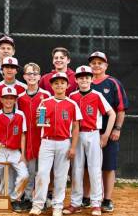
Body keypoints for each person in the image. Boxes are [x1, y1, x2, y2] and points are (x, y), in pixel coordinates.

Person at [63, 65, 116, 216]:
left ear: (92, 79)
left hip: (93, 134)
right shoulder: (72, 96)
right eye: (81, 77)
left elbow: (111, 113)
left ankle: (96, 204)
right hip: (76, 136)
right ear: (76, 80)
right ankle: (75, 203)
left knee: (94, 169)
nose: (84, 79)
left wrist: (106, 134)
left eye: (87, 77)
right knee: (76, 170)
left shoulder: (97, 95)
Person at [29, 72, 82, 216]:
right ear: (51, 86)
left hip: (64, 142)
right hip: (47, 142)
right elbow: (39, 123)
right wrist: (41, 121)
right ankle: (38, 204)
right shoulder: (45, 102)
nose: (59, 85)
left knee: (61, 175)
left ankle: (57, 205)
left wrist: (73, 147)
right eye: (56, 83)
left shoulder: (72, 104)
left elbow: (76, 126)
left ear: (68, 85)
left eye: (62, 83)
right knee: (42, 174)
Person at [88, 51, 129, 212]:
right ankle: (87, 197)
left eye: (100, 63)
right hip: (89, 132)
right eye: (93, 63)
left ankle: (107, 199)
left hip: (108, 131)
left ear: (106, 65)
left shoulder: (113, 83)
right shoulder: (85, 81)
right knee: (86, 166)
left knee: (108, 166)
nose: (96, 65)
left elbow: (120, 109)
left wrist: (117, 129)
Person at [0, 86, 29, 212]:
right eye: (6, 98)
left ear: (15, 100)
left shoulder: (20, 115)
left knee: (24, 175)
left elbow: (23, 135)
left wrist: (23, 154)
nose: (9, 101)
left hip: (15, 151)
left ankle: (14, 199)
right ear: (1, 100)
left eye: (11, 98)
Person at [17, 63, 50, 211]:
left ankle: (41, 199)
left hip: (42, 138)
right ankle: (28, 197)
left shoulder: (46, 95)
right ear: (24, 76)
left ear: (39, 76)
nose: (32, 76)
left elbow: (51, 117)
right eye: (29, 74)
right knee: (30, 171)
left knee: (42, 171)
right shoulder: (19, 97)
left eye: (35, 74)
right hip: (27, 138)